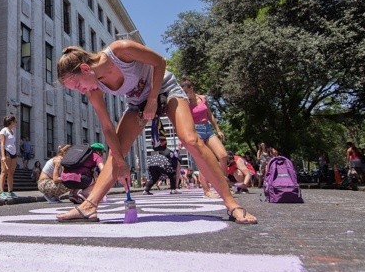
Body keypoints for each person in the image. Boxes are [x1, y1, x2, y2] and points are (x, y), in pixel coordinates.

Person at [55, 41, 257, 224]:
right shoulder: (93, 89)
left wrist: (152, 100)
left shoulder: (120, 50)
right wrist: (121, 162)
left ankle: (232, 205)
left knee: (190, 140)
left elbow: (160, 62)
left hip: (165, 89)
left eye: (78, 85)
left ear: (84, 68)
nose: (81, 91)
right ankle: (89, 206)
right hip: (138, 104)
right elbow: (107, 127)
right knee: (116, 151)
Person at [180, 78, 226, 199]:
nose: (185, 94)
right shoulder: (185, 103)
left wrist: (218, 129)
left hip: (208, 129)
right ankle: (206, 190)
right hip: (196, 130)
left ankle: (223, 182)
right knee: (204, 160)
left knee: (223, 155)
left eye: (186, 92)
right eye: (183, 92)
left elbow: (210, 114)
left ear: (191, 89)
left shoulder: (203, 98)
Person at [0, 115, 18, 199]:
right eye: (15, 121)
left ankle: (10, 191)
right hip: (6, 152)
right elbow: (2, 143)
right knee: (4, 172)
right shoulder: (4, 130)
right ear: (11, 122)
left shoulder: (12, 131)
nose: (16, 123)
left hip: (14, 153)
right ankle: (1, 192)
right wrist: (2, 156)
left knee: (11, 173)